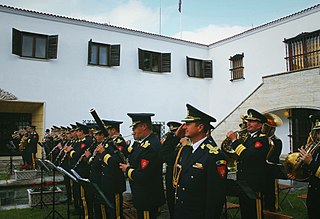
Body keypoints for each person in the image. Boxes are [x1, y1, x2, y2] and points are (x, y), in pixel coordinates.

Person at [170, 104, 227, 219]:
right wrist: (175, 137)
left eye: (188, 124)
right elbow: (164, 155)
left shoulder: (213, 155)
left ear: (200, 127)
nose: (184, 127)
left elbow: (215, 197)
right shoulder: (186, 150)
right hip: (182, 212)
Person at [120, 113, 165, 219]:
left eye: (135, 127)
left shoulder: (150, 147)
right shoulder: (142, 144)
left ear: (144, 126)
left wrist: (127, 170)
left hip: (147, 197)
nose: (133, 131)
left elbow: (142, 175)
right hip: (143, 195)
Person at [226, 109, 269, 219]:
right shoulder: (249, 138)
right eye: (248, 121)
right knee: (245, 210)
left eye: (252, 121)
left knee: (253, 212)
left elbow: (247, 156)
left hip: (254, 183)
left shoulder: (262, 140)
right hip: (244, 180)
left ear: (259, 125)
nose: (248, 123)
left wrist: (234, 141)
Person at [94, 120, 127, 219]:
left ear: (113, 130)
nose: (105, 131)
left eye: (107, 129)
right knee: (107, 210)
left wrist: (103, 153)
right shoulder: (108, 141)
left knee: (115, 213)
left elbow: (116, 162)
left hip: (114, 182)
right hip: (106, 180)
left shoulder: (119, 142)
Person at [295, 115, 320, 219]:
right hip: (314, 193)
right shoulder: (318, 148)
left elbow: (315, 167)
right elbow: (312, 171)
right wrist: (298, 171)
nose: (319, 136)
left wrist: (310, 162)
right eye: (318, 133)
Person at [160, 121, 183, 219]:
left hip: (180, 177)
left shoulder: (184, 144)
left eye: (175, 132)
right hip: (171, 175)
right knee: (171, 201)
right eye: (172, 133)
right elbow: (163, 156)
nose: (173, 135)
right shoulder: (172, 143)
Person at [262, 113, 283, 211]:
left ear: (273, 129)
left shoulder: (277, 141)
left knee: (271, 191)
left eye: (267, 128)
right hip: (261, 171)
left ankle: (271, 209)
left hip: (270, 171)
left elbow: (273, 158)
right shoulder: (262, 139)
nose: (264, 129)